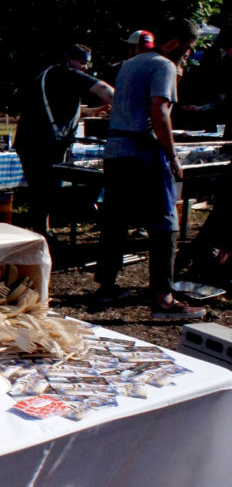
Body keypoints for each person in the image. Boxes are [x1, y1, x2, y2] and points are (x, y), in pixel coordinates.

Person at [93, 18, 206, 320]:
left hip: (116, 150)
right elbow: (159, 111)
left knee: (115, 219)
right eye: (189, 48)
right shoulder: (164, 66)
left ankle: (106, 286)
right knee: (164, 221)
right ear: (174, 43)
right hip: (143, 151)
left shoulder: (131, 63)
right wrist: (172, 156)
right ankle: (163, 299)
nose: (189, 54)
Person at [14, 44, 114, 236]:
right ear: (70, 60)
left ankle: (44, 230)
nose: (85, 68)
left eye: (87, 63)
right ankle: (41, 233)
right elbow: (104, 90)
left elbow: (62, 108)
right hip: (38, 143)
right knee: (43, 189)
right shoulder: (65, 74)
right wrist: (127, 107)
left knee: (45, 188)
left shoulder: (55, 76)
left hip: (40, 141)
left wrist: (93, 112)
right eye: (82, 62)